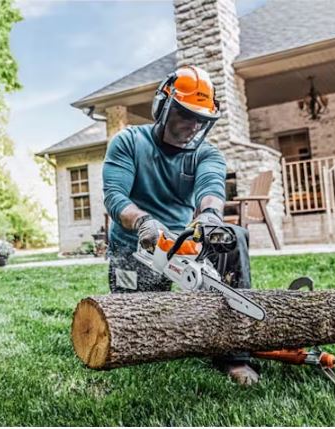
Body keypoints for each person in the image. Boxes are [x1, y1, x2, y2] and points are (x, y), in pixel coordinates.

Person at [102, 65, 258, 385]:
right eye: (186, 116)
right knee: (140, 329)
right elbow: (115, 196)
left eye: (201, 120)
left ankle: (235, 356)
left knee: (233, 236)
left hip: (183, 241)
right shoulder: (129, 141)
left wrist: (210, 217)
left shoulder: (207, 154)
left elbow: (211, 189)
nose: (193, 126)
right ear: (164, 107)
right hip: (134, 244)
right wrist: (144, 222)